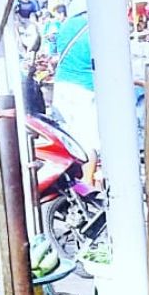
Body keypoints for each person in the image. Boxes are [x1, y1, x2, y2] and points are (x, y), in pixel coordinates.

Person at [52, 10, 98, 184]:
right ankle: (87, 186)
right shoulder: (97, 28)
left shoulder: (66, 26)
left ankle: (71, 184)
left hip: (62, 85)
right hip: (85, 89)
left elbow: (57, 52)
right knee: (87, 142)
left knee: (66, 138)